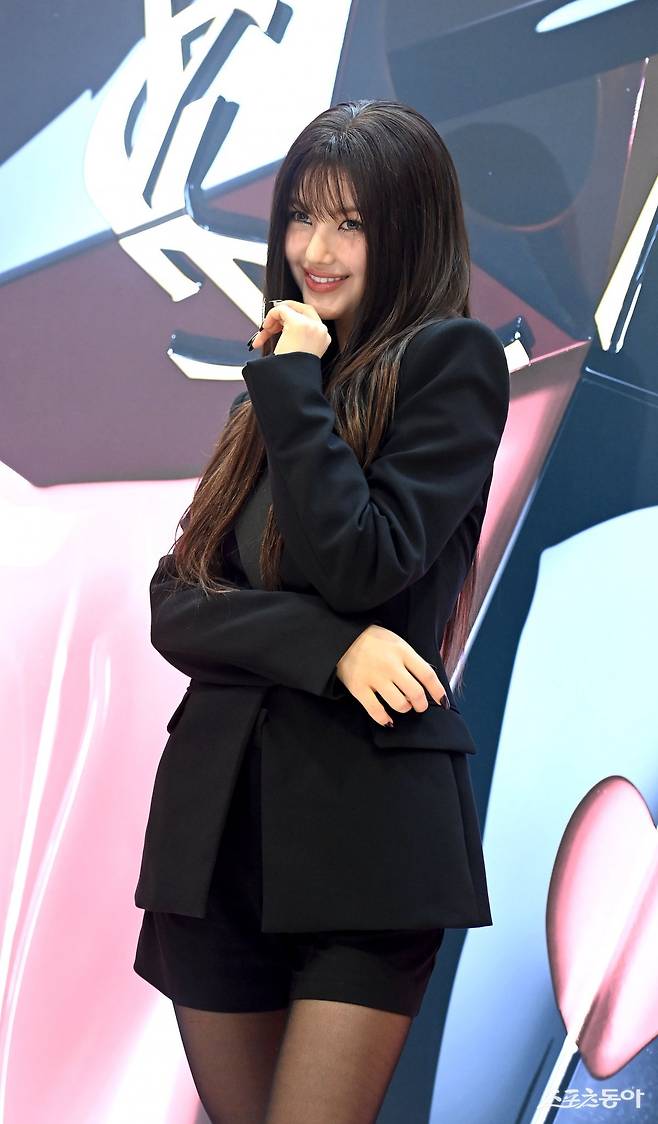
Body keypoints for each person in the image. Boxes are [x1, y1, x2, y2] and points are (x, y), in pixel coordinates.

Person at [133, 98, 510, 1123]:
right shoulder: (269, 394)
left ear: (409, 231)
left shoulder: (448, 363)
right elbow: (176, 603)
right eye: (301, 216)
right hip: (215, 835)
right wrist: (328, 647)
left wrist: (294, 382)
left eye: (350, 223)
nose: (315, 250)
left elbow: (362, 564)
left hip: (367, 834)